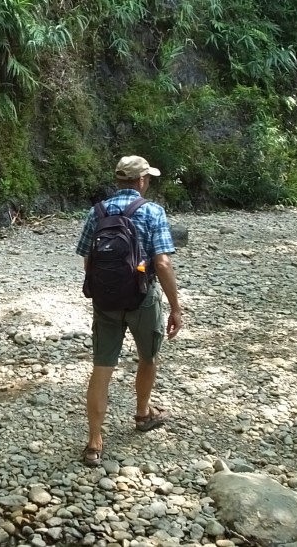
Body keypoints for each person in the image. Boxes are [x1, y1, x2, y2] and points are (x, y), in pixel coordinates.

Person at [75, 155, 184, 466]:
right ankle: (142, 414)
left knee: (102, 367)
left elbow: (88, 259)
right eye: (147, 178)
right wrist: (176, 307)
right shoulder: (152, 212)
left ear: (118, 181)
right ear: (140, 181)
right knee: (148, 357)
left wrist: (104, 289)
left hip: (105, 301)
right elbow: (161, 263)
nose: (147, 182)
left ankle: (95, 443)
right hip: (142, 299)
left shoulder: (96, 212)